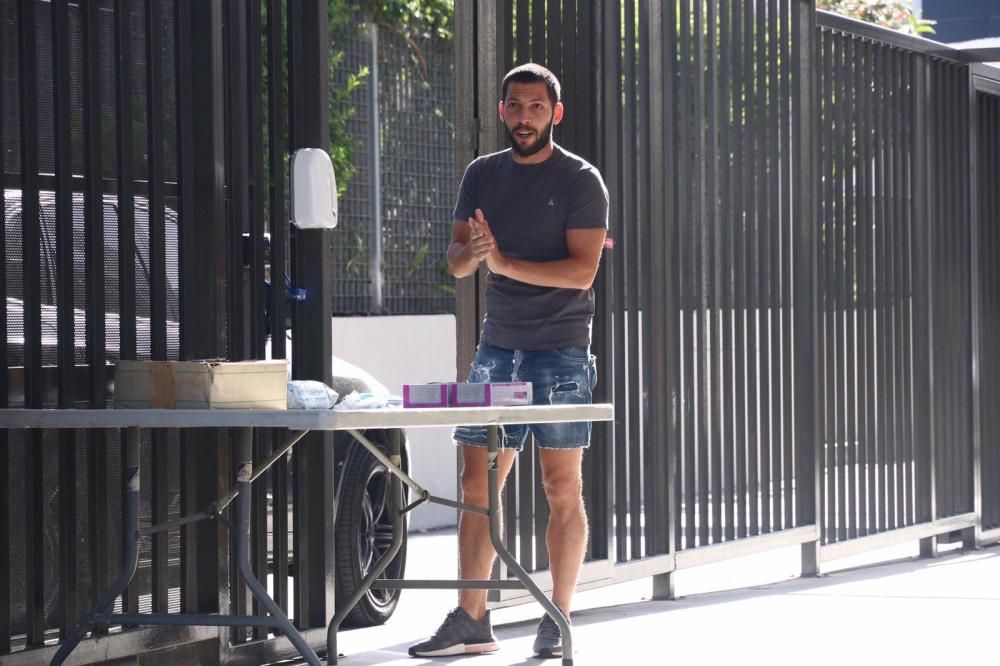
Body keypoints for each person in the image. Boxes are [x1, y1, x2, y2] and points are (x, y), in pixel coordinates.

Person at [408, 63, 609, 660]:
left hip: (562, 351)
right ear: (502, 112)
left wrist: (504, 263)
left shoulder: (581, 179)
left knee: (560, 485)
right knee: (478, 484)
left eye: (536, 107)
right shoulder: (482, 175)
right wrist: (474, 252)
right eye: (515, 107)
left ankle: (559, 618)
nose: (525, 117)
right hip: (497, 351)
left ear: (556, 113)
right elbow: (456, 261)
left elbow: (581, 272)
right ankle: (473, 619)